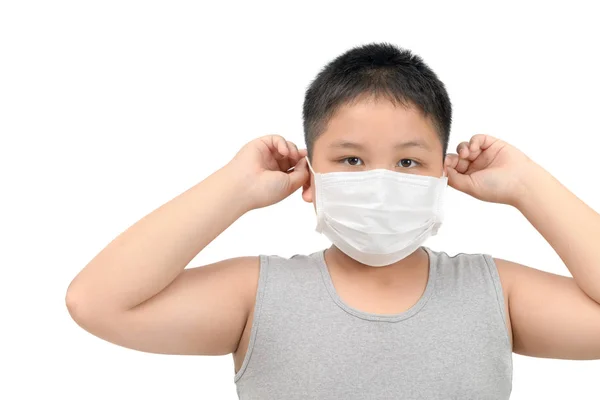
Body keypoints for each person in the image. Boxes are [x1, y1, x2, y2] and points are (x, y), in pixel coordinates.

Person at [65, 42, 600, 399]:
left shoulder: (492, 292)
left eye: (409, 161)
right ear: (309, 175)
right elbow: (97, 302)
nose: (380, 181)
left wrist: (528, 185)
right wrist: (235, 188)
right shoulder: (259, 295)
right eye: (351, 160)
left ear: (445, 173)